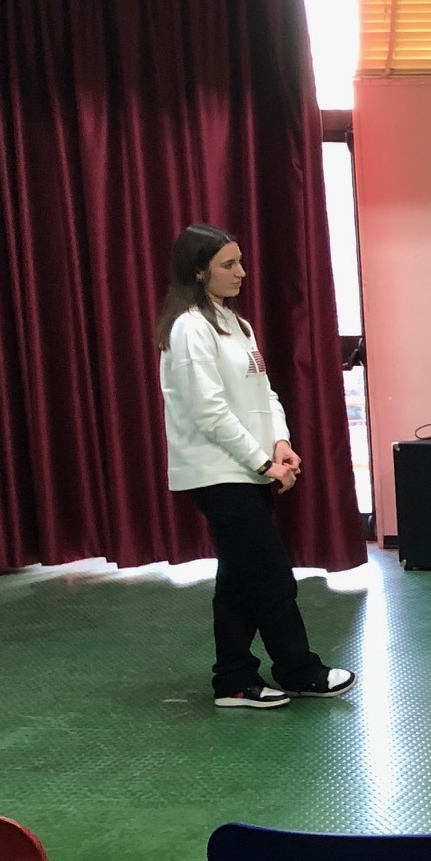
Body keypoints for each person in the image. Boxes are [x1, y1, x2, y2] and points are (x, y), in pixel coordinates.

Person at [156, 224, 353, 710]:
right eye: (228, 264)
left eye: (240, 261)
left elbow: (264, 393)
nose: (241, 272)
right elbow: (208, 411)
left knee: (239, 580)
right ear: (198, 271)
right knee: (271, 575)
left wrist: (279, 443)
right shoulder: (190, 329)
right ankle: (298, 671)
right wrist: (263, 461)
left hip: (246, 468)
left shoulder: (236, 324)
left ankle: (233, 679)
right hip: (217, 473)